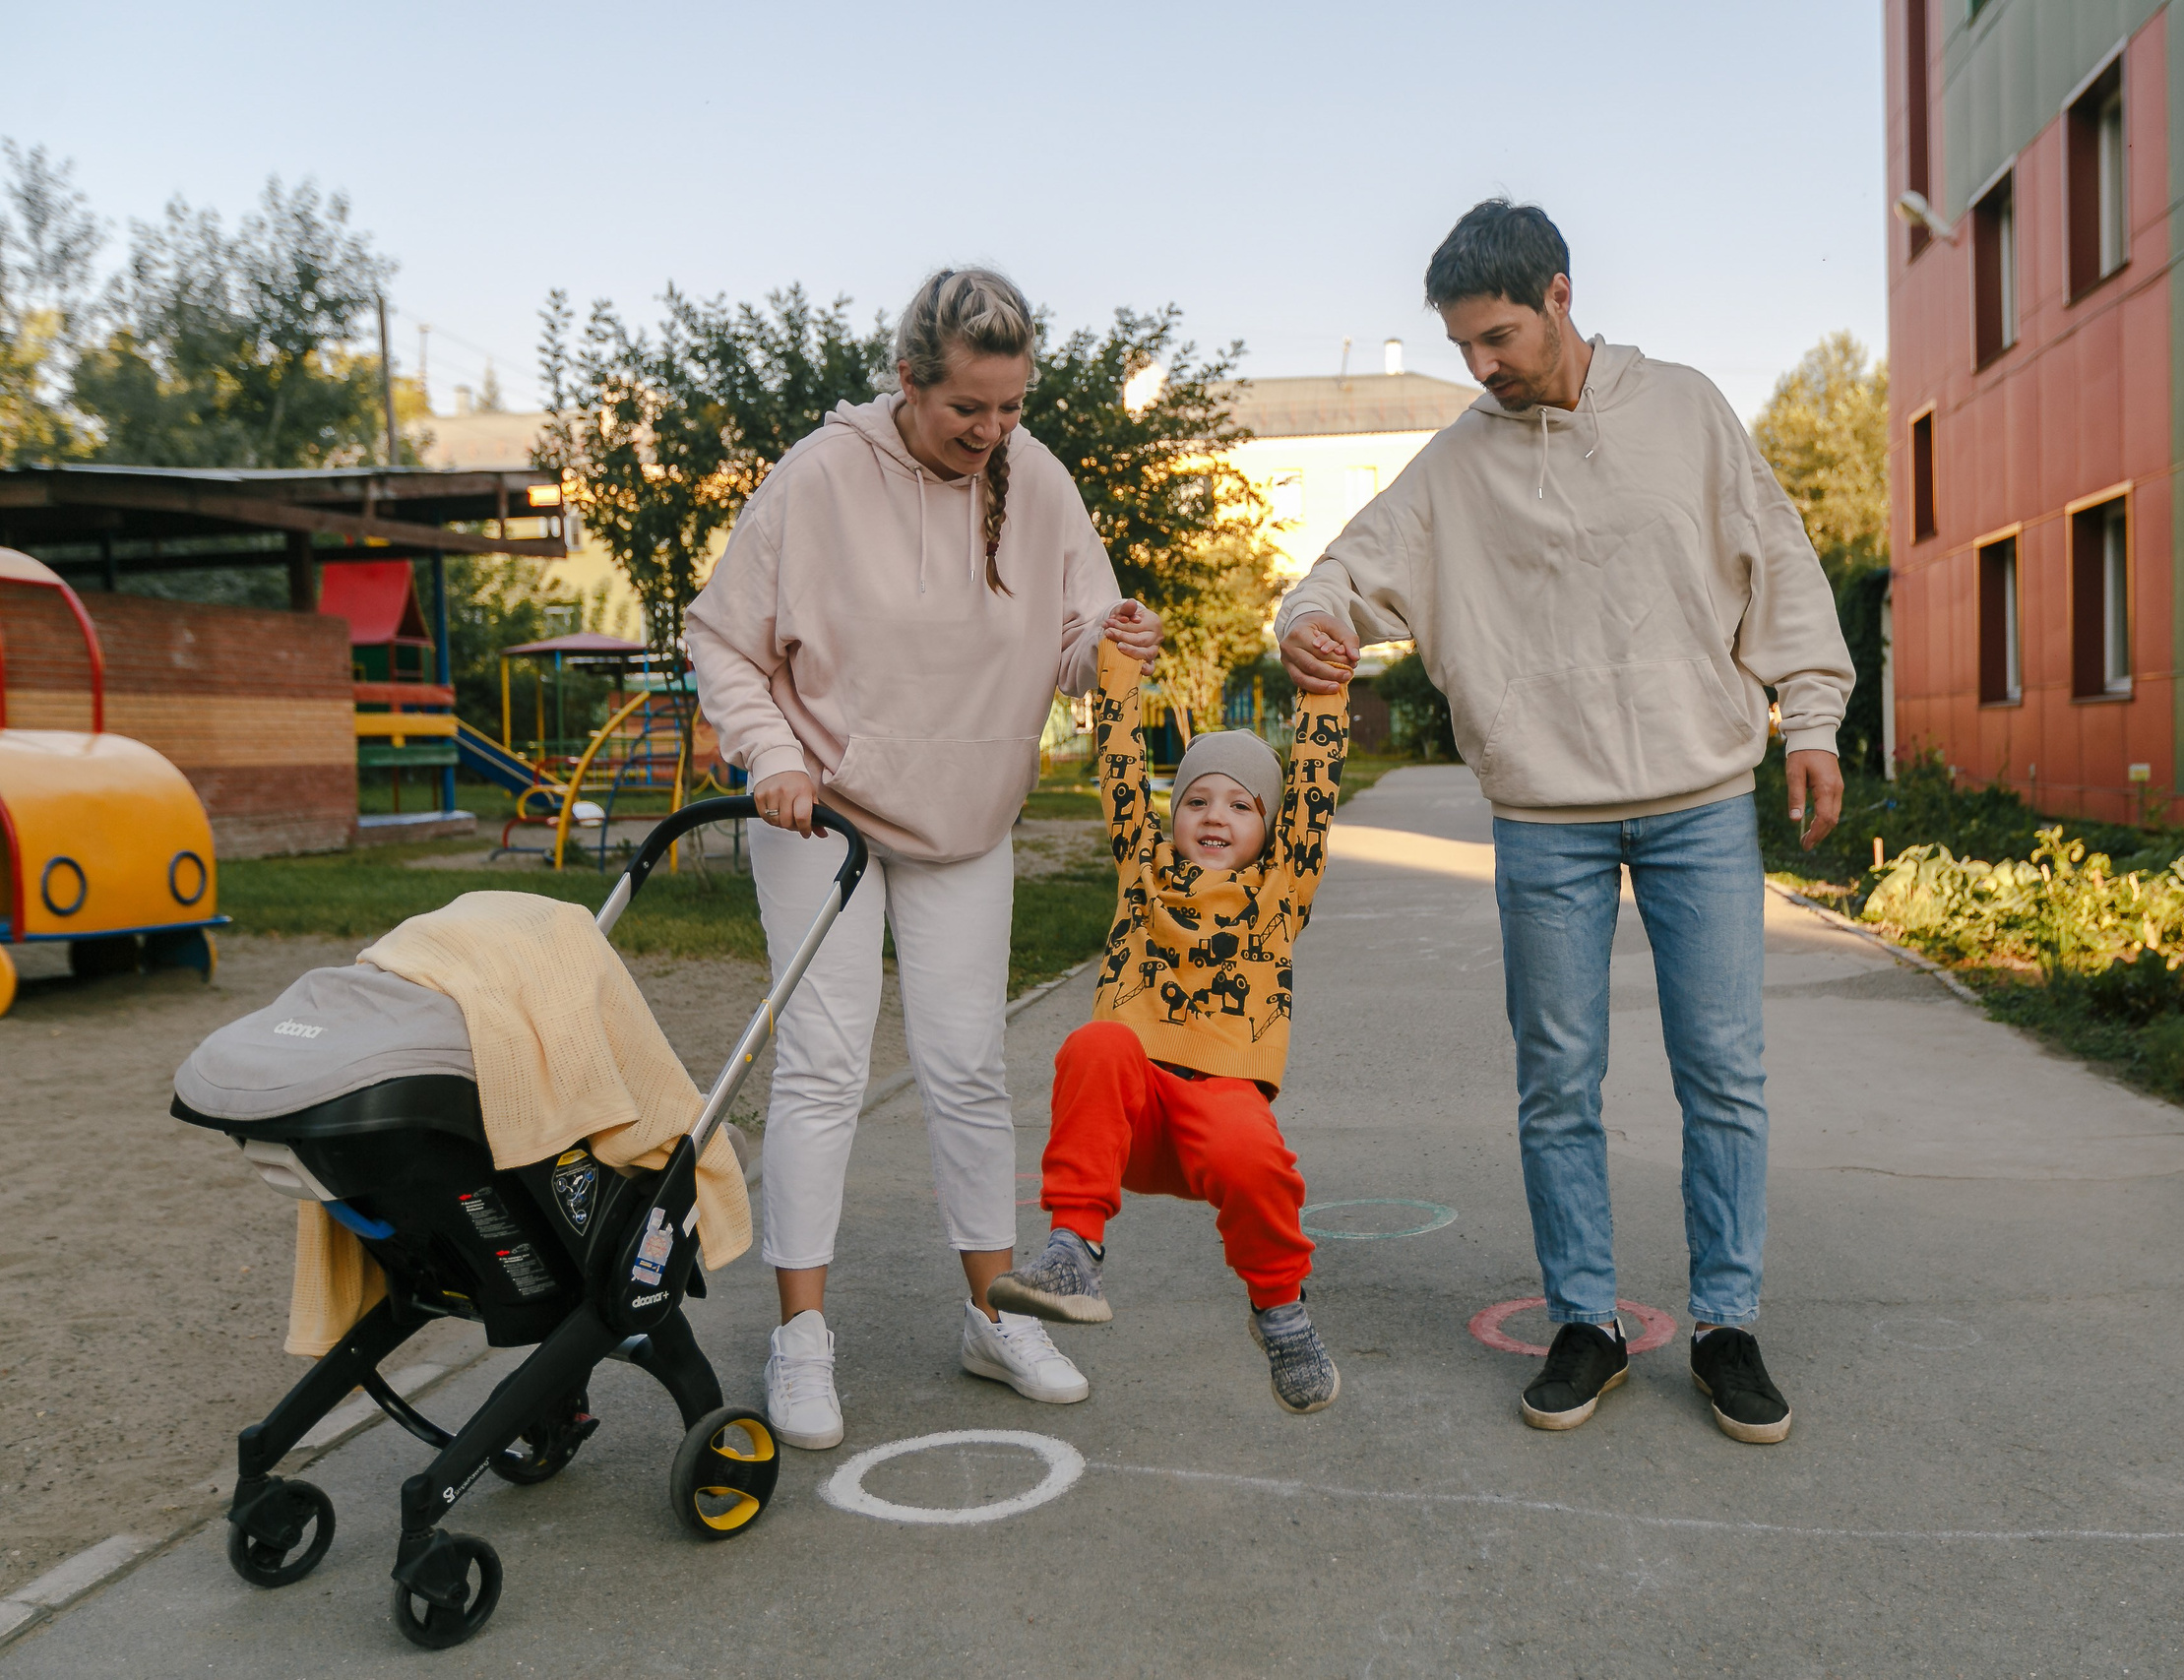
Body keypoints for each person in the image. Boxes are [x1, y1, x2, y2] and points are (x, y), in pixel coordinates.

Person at [1275, 200, 1852, 1443]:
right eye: (1461, 346)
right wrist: (1306, 620)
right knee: (1556, 1081)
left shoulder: (1684, 411)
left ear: (1560, 294)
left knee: (1724, 1075)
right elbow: (1343, 569)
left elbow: (1780, 561)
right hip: (1545, 820)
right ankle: (1583, 1322)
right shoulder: (1460, 460)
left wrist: (1811, 720)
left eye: (1496, 337)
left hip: (1698, 802)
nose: (1481, 367)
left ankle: (1726, 1328)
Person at [687, 267, 1162, 1449]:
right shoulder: (819, 474)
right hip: (822, 812)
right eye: (969, 411)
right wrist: (767, 757)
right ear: (908, 383)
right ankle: (801, 1337)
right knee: (823, 1067)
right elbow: (722, 639)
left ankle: (989, 1318)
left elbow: (1067, 645)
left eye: (1010, 408)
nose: (992, 434)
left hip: (965, 819)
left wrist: (1112, 643)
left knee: (966, 1070)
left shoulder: (1035, 477)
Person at [989, 641, 1349, 1412]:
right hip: (1132, 1106)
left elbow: (1315, 790)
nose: (1215, 815)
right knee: (1096, 1041)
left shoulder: (1282, 887)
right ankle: (1072, 1251)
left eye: (1240, 803)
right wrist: (1118, 669)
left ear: (1269, 824)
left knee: (1257, 1157)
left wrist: (1325, 692)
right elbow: (1118, 766)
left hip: (1221, 1105)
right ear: (1173, 810)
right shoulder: (1144, 866)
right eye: (1196, 799)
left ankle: (1279, 1310)